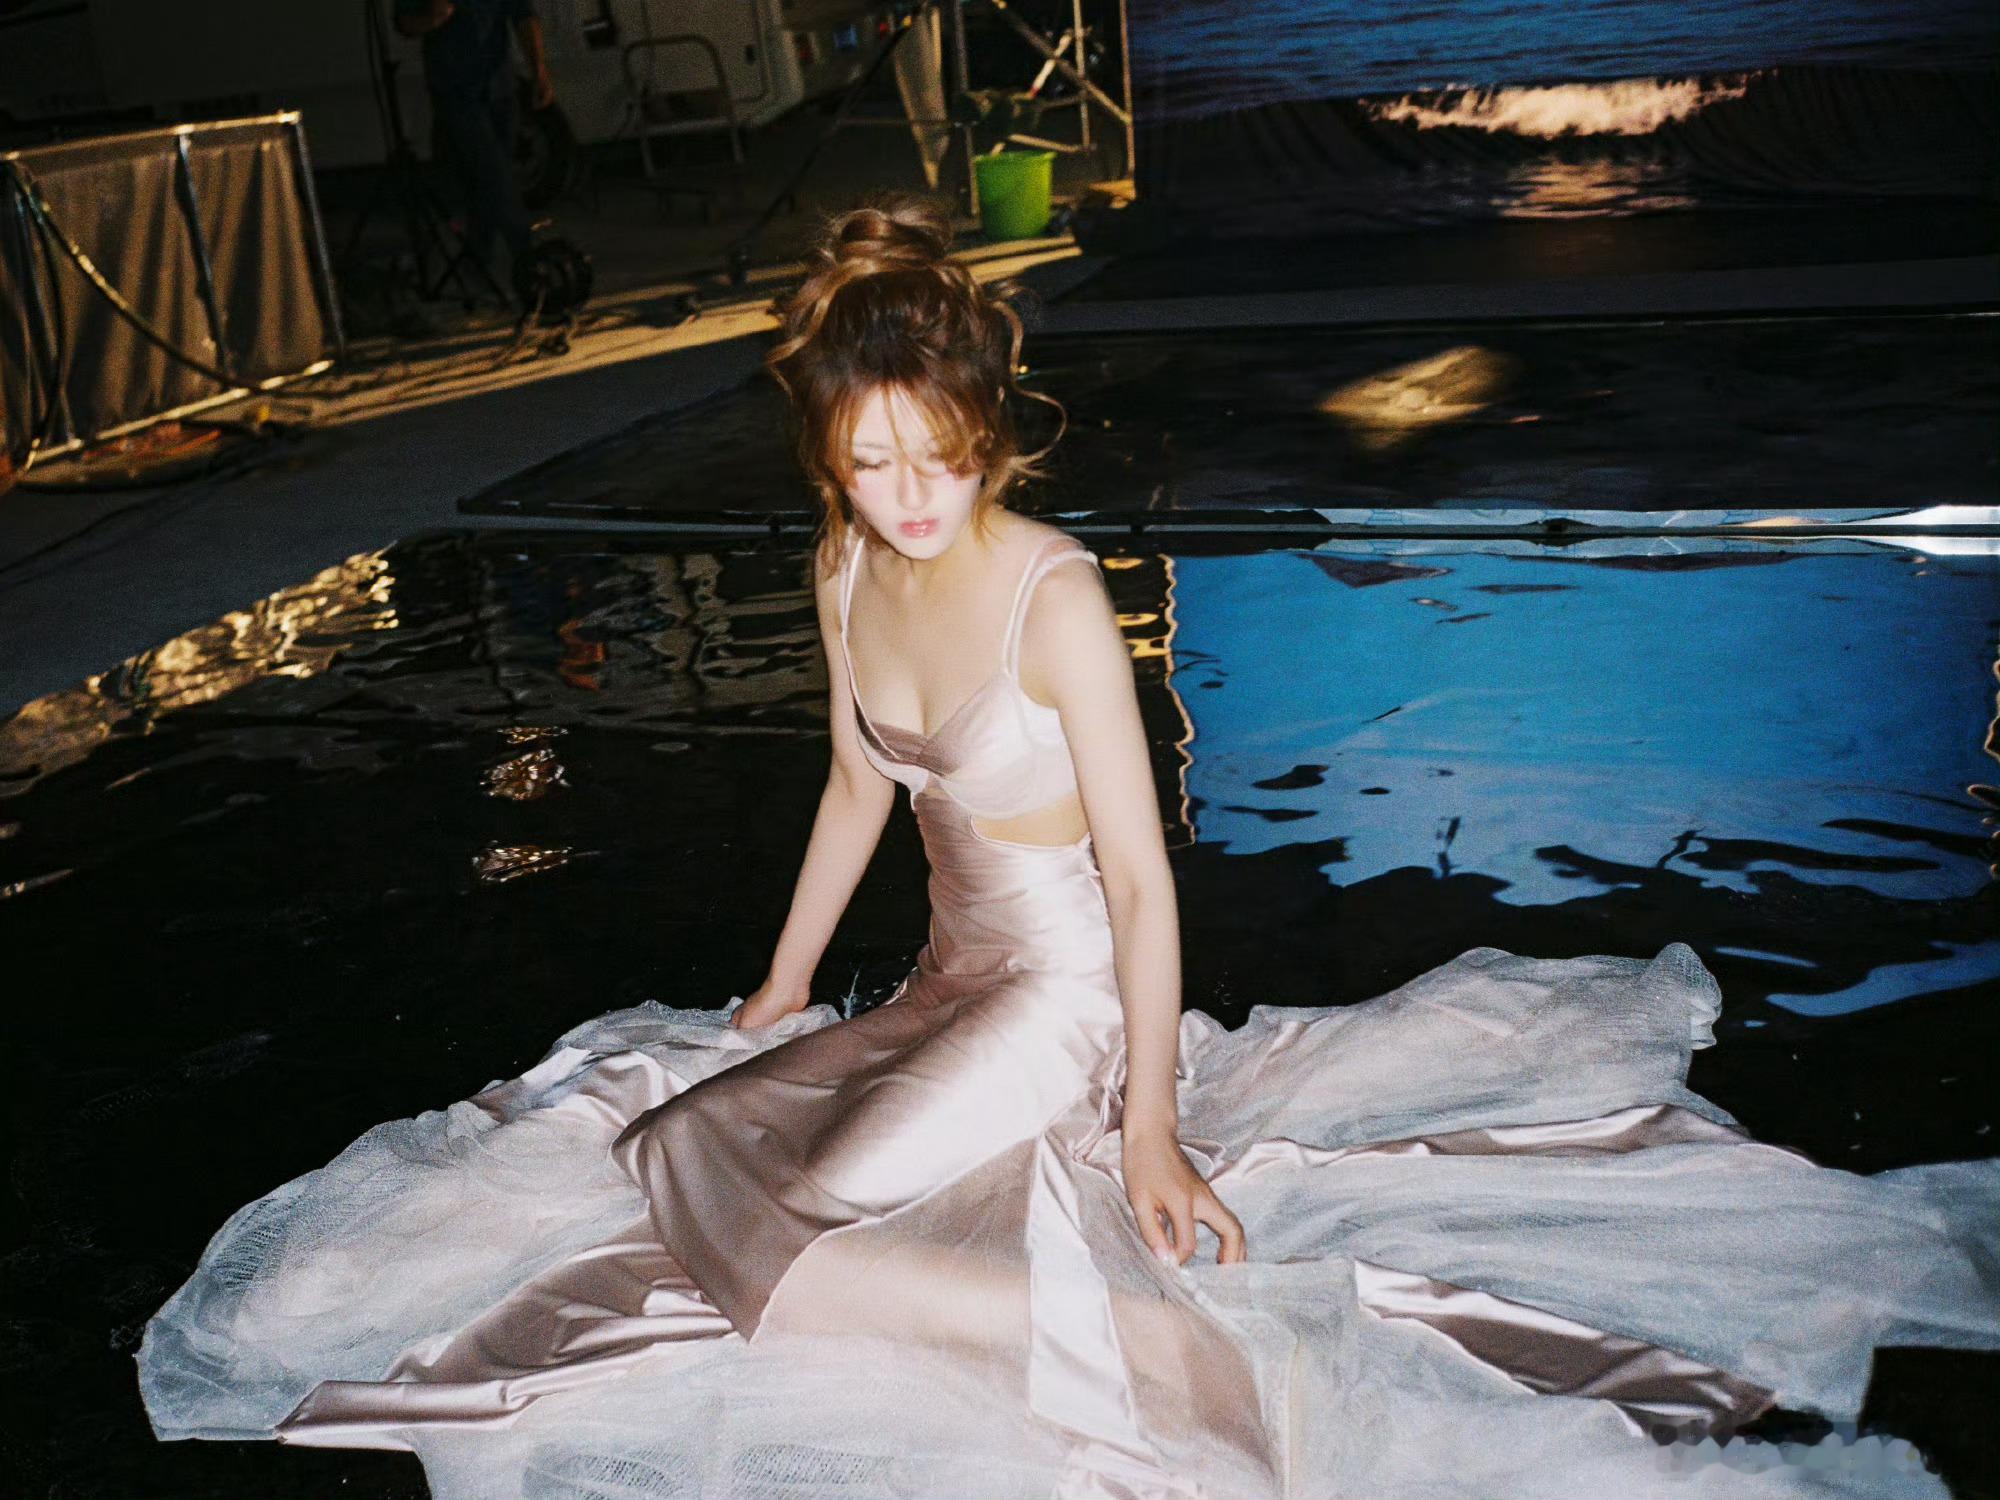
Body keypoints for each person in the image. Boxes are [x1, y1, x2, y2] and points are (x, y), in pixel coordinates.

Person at [136, 195, 2000, 1499]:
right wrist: (782, 987)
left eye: (938, 456)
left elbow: (1139, 879)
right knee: (676, 1140)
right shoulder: (845, 566)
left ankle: (1182, 1362)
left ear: (984, 431)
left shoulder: (1048, 592)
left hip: (1067, 997)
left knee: (791, 1224)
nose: (911, 496)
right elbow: (857, 791)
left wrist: (1151, 1125)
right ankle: (980, 1245)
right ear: (830, 459)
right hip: (947, 975)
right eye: (873, 464)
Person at [392, 0, 554, 294]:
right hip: (456, 93)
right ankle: (526, 256)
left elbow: (523, 16)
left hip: (499, 88)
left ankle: (479, 256)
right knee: (493, 172)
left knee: (489, 178)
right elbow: (404, 22)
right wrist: (432, 19)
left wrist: (538, 70)